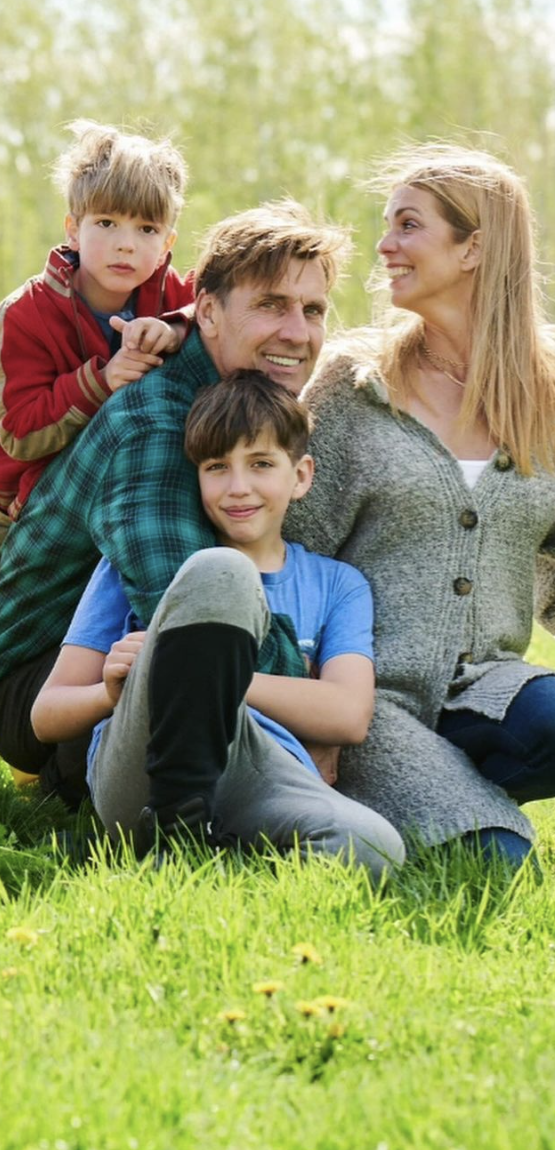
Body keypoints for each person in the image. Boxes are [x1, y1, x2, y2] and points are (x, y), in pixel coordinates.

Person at [285, 144, 555, 866]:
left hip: (484, 687)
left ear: (474, 248)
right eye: (388, 223)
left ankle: (435, 792)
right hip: (366, 697)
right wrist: (313, 716)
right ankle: (429, 798)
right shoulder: (354, 382)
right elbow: (292, 549)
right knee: (497, 862)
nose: (385, 245)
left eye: (408, 225)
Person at [0, 199, 351, 808]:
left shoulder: (243, 405)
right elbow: (187, 608)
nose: (297, 332)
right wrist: (312, 712)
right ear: (208, 312)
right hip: (40, 679)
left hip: (125, 645)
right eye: (271, 304)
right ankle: (116, 803)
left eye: (312, 310)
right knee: (173, 668)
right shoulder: (155, 422)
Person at [30, 371, 404, 876]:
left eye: (261, 464)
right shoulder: (140, 565)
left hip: (264, 768)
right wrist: (111, 693)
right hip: (143, 770)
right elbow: (46, 714)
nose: (238, 487)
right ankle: (173, 833)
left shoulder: (338, 584)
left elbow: (346, 714)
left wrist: (192, 670)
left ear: (301, 475)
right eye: (216, 467)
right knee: (221, 571)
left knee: (377, 846)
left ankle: (208, 863)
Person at [0, 120, 193, 548]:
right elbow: (19, 435)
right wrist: (101, 381)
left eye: (147, 229)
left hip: (126, 485)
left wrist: (176, 326)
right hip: (20, 509)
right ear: (73, 227)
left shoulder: (169, 290)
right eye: (106, 223)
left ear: (167, 241)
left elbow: (218, 307)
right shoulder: (27, 314)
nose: (126, 244)